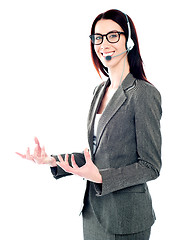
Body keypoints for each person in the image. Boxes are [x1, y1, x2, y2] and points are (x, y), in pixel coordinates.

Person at [16, 9, 162, 240]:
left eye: (113, 35)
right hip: (93, 213)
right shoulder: (99, 91)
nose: (104, 44)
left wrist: (101, 177)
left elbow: (151, 166)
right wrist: (53, 160)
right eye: (98, 37)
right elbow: (96, 156)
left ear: (129, 40)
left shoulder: (143, 94)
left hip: (127, 219)